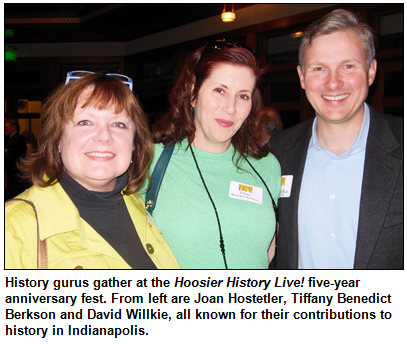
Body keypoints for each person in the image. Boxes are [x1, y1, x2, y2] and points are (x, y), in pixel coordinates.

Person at [269, 9, 403, 269]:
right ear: (302, 77)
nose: (333, 83)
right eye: (319, 68)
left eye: (348, 66)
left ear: (371, 71)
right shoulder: (275, 154)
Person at [5, 71, 180, 269]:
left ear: (134, 143)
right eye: (85, 122)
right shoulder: (14, 226)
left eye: (118, 124)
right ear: (58, 137)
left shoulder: (139, 205)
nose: (104, 136)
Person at [144, 39, 281, 269]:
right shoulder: (151, 161)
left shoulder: (267, 166)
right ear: (193, 93)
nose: (231, 108)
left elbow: (269, 249)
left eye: (243, 96)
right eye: (220, 91)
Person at [5, 119, 28, 200]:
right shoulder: (12, 139)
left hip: (15, 174)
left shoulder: (17, 139)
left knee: (14, 195)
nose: (5, 130)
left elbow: (9, 157)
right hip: (14, 174)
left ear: (13, 127)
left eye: (6, 127)